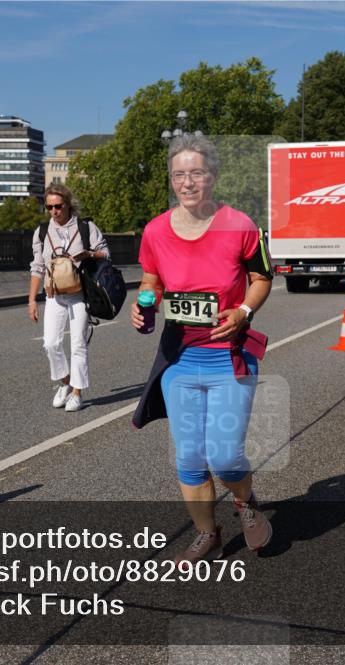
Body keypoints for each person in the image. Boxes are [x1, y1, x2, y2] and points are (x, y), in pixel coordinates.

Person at [130, 134, 273, 565]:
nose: (187, 182)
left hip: (228, 358)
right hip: (179, 358)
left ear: (212, 176)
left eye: (196, 173)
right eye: (179, 175)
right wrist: (143, 305)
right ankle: (207, 533)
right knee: (190, 457)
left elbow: (262, 278)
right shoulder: (156, 230)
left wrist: (244, 311)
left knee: (226, 456)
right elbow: (151, 281)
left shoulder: (241, 224)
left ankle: (246, 503)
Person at [28, 184, 110, 413]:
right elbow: (37, 267)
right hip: (54, 295)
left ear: (67, 204)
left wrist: (89, 254)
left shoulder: (86, 228)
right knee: (51, 343)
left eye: (58, 206)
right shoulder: (42, 231)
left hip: (79, 295)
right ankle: (65, 382)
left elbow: (106, 253)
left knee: (77, 345)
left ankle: (77, 393)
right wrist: (32, 300)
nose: (54, 211)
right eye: (49, 207)